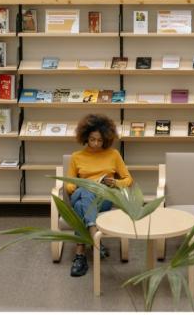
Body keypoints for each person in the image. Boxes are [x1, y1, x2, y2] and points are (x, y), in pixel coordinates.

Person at [66, 114, 133, 277]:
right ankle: (96, 238)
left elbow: (128, 179)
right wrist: (80, 185)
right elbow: (68, 185)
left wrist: (114, 183)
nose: (96, 144)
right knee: (87, 191)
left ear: (106, 139)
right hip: (80, 193)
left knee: (81, 206)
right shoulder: (77, 157)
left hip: (102, 199)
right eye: (92, 139)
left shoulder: (113, 154)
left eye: (100, 140)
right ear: (85, 137)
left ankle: (80, 255)